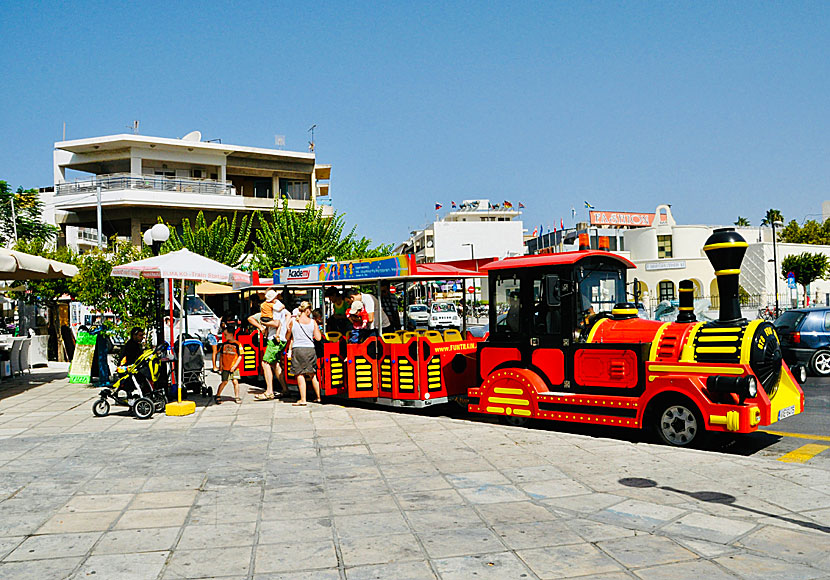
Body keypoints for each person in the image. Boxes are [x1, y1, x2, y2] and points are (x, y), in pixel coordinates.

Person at [248, 305, 288, 401]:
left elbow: (277, 324)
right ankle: (285, 389)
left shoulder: (271, 314)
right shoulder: (282, 312)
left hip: (274, 340)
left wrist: (262, 325)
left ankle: (269, 391)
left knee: (265, 363)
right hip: (280, 340)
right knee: (275, 364)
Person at [286, 301, 322, 406]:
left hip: (298, 349)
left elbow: (287, 337)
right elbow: (318, 338)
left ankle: (303, 399)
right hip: (310, 349)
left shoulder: (293, 322)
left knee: (299, 374)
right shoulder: (313, 322)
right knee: (312, 374)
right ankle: (318, 397)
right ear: (307, 310)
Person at [215, 327, 242, 404]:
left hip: (234, 367)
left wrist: (234, 366)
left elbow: (240, 356)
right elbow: (221, 355)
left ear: (231, 334)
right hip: (225, 367)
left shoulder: (238, 344)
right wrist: (220, 365)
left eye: (226, 334)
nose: (224, 336)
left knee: (235, 381)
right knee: (224, 381)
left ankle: (237, 396)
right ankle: (218, 395)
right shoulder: (224, 344)